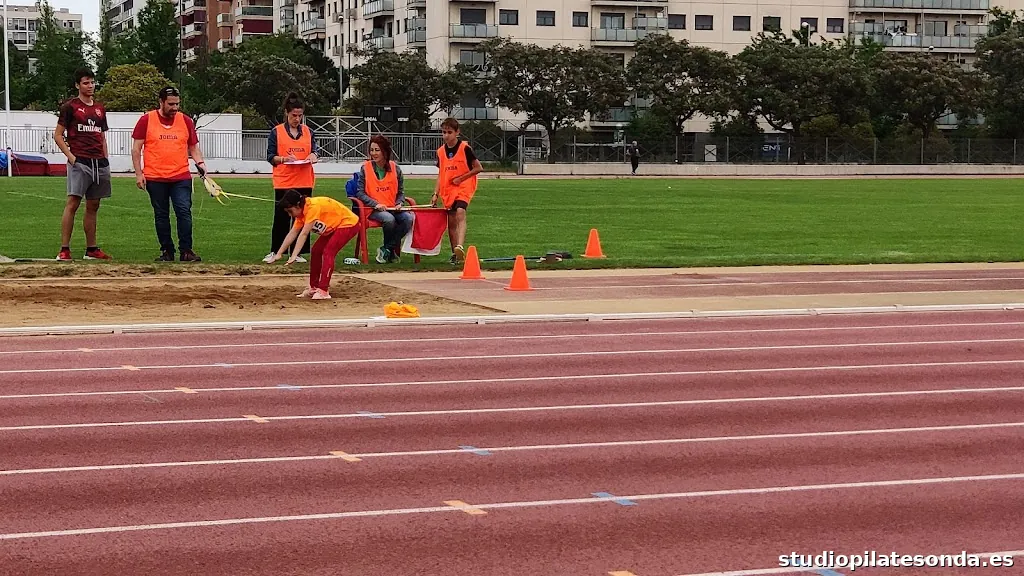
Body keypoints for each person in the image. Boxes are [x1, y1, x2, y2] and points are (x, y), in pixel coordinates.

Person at [131, 86, 206, 262]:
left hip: (181, 176)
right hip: (155, 177)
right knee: (161, 214)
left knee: (183, 211)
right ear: (161, 102)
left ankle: (186, 250)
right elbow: (136, 149)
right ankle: (167, 251)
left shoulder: (186, 121)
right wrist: (139, 174)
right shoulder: (146, 120)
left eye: (177, 104)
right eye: (171, 104)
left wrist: (201, 164)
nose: (175, 108)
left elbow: (193, 147)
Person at [53, 67, 112, 261]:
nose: (90, 86)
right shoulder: (70, 107)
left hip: (99, 163)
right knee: (73, 203)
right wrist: (72, 158)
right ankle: (64, 249)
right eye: (86, 82)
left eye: (92, 82)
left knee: (93, 205)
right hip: (80, 161)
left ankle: (92, 249)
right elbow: (58, 135)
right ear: (77, 85)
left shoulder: (100, 108)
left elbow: (101, 135)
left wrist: (106, 158)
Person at [268, 190, 360, 300]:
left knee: (328, 252)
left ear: (298, 205)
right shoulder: (301, 214)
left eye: (290, 211)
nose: (289, 215)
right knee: (316, 251)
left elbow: (304, 234)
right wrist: (279, 253)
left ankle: (323, 290)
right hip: (334, 227)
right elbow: (293, 233)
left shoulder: (312, 208)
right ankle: (314, 287)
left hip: (348, 224)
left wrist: (294, 255)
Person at [264, 91, 319, 264]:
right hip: (284, 181)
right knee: (281, 217)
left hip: (304, 180)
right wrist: (283, 159)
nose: (297, 119)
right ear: (287, 114)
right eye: (294, 115)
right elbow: (270, 156)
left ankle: (299, 252)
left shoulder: (309, 132)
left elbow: (315, 150)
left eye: (300, 116)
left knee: (304, 216)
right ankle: (275, 250)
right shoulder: (276, 132)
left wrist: (313, 156)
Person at [432, 117, 483, 265]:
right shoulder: (441, 152)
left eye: (449, 132)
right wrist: (435, 193)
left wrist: (462, 178)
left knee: (460, 211)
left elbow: (478, 167)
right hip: (448, 190)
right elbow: (441, 175)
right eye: (443, 132)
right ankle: (456, 253)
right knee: (451, 221)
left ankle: (460, 245)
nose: (446, 135)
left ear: (457, 132)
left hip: (464, 186)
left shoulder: (465, 149)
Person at [355, 135, 413, 264]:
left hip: (393, 207)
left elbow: (401, 192)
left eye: (377, 150)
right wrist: (375, 204)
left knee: (409, 219)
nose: (373, 153)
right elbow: (360, 193)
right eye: (372, 150)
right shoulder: (365, 168)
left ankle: (386, 249)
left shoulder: (396, 168)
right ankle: (390, 252)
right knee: (389, 219)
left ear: (385, 151)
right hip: (373, 209)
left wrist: (399, 203)